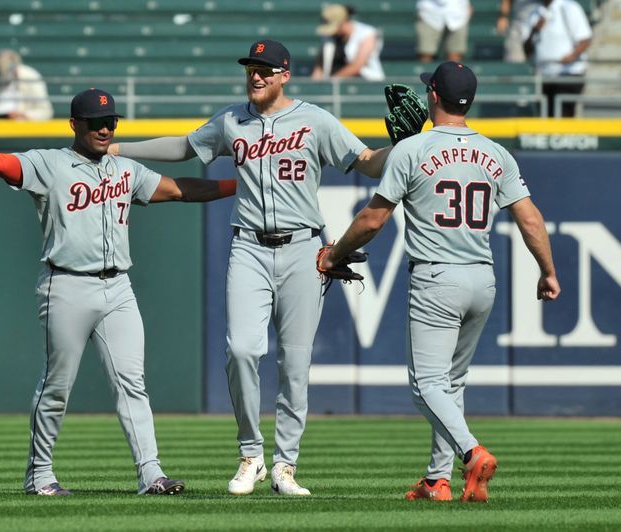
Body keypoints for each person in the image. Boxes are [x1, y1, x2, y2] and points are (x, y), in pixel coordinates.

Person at [109, 39, 390, 496]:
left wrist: (402, 145)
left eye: (265, 69)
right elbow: (185, 147)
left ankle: (286, 466)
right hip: (249, 248)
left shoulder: (314, 119)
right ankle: (251, 455)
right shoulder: (231, 120)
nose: (255, 75)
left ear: (284, 75)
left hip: (303, 249)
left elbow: (366, 162)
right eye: (250, 68)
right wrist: (122, 149)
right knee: (241, 350)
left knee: (295, 363)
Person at [0, 88, 236, 496]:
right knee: (57, 385)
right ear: (75, 124)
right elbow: (4, 165)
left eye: (111, 122)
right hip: (66, 285)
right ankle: (39, 475)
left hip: (118, 288)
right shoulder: (50, 164)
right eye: (96, 122)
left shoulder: (124, 168)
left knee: (132, 382)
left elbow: (179, 189)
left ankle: (151, 474)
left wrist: (238, 185)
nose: (105, 128)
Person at [318, 62, 560, 502]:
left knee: (426, 385)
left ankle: (472, 453)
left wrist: (333, 254)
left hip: (437, 277)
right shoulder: (496, 153)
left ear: (432, 95)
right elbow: (529, 218)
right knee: (451, 384)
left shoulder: (412, 148)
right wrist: (547, 270)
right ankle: (437, 479)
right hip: (482, 280)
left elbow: (373, 219)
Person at [522, 0, 592, 117]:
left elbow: (584, 39)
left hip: (568, 75)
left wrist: (572, 56)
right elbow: (526, 50)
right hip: (545, 76)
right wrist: (535, 30)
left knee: (563, 115)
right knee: (547, 117)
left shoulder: (569, 7)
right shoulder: (534, 14)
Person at [311, 4, 385, 81]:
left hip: (368, 84)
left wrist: (332, 82)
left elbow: (357, 65)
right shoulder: (332, 39)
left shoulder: (367, 33)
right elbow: (319, 68)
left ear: (343, 22)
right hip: (341, 86)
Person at [0, 49, 53, 121]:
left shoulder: (31, 77)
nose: (3, 83)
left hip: (22, 129)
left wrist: (24, 115)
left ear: (16, 69)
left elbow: (46, 112)